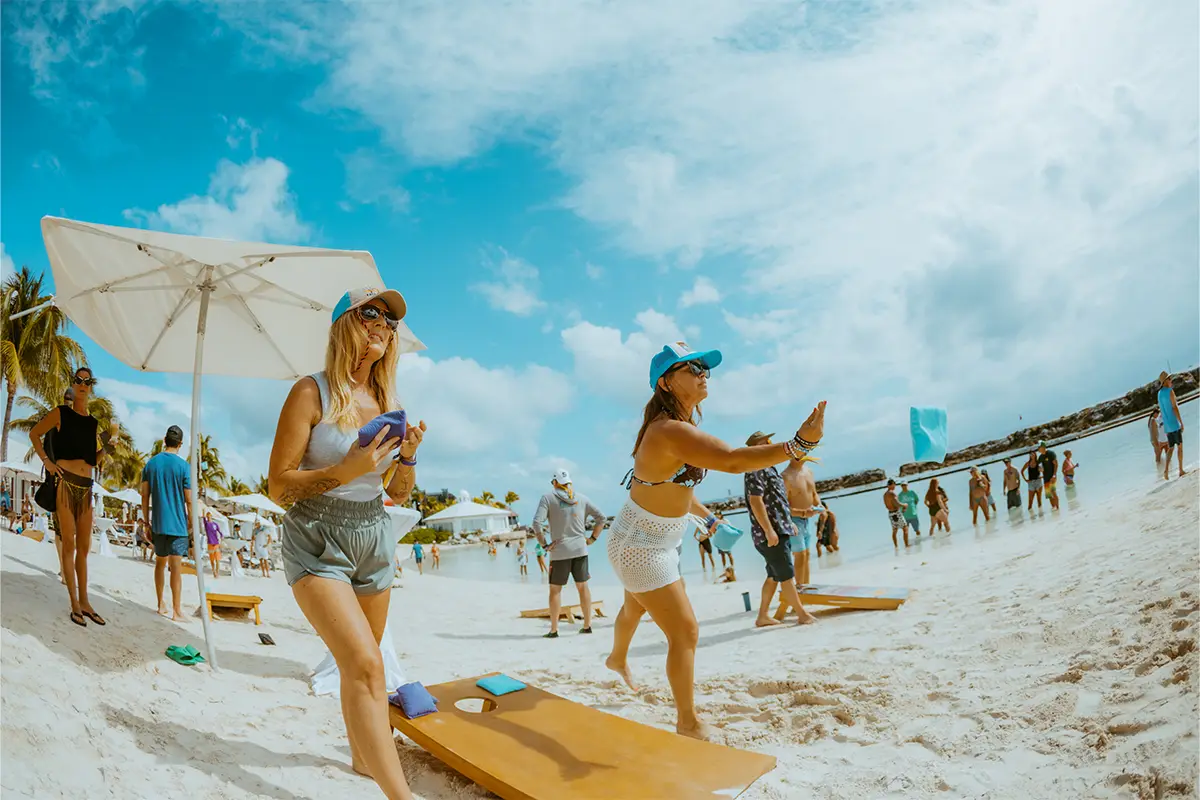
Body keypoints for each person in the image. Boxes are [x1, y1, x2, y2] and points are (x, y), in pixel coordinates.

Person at [603, 342, 826, 740]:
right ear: (666, 383)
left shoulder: (680, 430)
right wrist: (799, 446)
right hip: (640, 546)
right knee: (685, 631)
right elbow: (733, 460)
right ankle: (687, 723)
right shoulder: (668, 431)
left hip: (654, 537)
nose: (703, 372)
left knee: (636, 609)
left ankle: (616, 658)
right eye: (691, 367)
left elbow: (676, 485)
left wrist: (706, 517)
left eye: (705, 367)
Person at [267, 285, 426, 799]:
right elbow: (278, 486)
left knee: (365, 661)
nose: (382, 324)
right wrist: (342, 470)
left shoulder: (387, 401)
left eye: (390, 321)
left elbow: (395, 493)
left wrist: (408, 458)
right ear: (344, 324)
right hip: (316, 537)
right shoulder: (309, 392)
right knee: (364, 664)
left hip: (373, 536)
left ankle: (363, 758)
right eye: (371, 313)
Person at [29, 366, 118, 627]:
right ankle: (74, 602)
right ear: (74, 384)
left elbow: (92, 459)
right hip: (65, 484)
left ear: (91, 386)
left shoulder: (92, 423)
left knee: (84, 549)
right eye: (78, 380)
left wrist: (108, 449)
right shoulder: (60, 413)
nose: (82, 384)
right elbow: (34, 434)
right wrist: (46, 462)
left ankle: (86, 600)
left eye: (86, 381)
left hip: (86, 487)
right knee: (68, 543)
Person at [745, 431, 819, 626]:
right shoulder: (754, 467)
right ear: (757, 446)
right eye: (766, 442)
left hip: (780, 528)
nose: (771, 443)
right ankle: (802, 614)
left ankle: (762, 616)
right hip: (771, 532)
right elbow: (756, 501)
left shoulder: (769, 468)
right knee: (786, 574)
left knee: (773, 575)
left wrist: (789, 521)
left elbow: (778, 501)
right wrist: (769, 530)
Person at [532, 469, 605, 638]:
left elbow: (537, 523)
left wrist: (545, 544)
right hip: (580, 549)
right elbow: (601, 518)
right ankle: (587, 626)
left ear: (555, 482)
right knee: (583, 587)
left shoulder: (548, 498)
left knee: (555, 591)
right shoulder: (581, 498)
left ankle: (554, 630)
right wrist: (592, 539)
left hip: (559, 552)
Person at [141, 425, 192, 620]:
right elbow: (188, 499)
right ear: (180, 444)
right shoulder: (184, 466)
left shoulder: (151, 464)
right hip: (178, 524)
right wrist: (191, 521)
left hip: (159, 523)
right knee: (176, 569)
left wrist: (146, 522)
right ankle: (177, 610)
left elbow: (145, 496)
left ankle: (161, 604)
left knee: (159, 564)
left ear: (164, 440)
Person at [782, 453, 822, 587]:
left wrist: (820, 506)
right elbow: (783, 507)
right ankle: (799, 590)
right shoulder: (785, 477)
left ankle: (806, 587)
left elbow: (814, 493)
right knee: (800, 555)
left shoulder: (809, 472)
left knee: (807, 554)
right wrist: (804, 512)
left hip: (807, 521)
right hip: (793, 521)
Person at [1158, 372, 1186, 479]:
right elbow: (1174, 407)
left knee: (1171, 447)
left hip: (1167, 425)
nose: (1171, 380)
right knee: (1180, 447)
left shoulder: (1159, 393)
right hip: (1174, 423)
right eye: (1169, 379)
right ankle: (1181, 470)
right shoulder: (1170, 392)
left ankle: (1165, 471)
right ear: (1165, 381)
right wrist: (1181, 422)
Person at [883, 479, 909, 547]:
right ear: (892, 485)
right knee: (905, 528)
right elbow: (897, 504)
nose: (895, 486)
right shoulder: (892, 493)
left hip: (890, 513)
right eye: (894, 484)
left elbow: (886, 505)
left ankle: (896, 547)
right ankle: (907, 545)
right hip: (896, 513)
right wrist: (905, 505)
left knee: (894, 531)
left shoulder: (885, 495)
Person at [1037, 442, 1059, 511]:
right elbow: (1038, 466)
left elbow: (1056, 464)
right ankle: (1054, 509)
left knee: (1053, 492)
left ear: (1043, 447)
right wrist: (1040, 469)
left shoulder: (1051, 453)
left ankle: (1058, 508)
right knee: (1049, 495)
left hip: (1052, 476)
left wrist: (1054, 475)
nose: (1038, 449)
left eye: (1039, 447)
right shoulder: (1040, 457)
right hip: (1045, 478)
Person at [204, 511, 223, 578]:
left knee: (217, 560)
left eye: (209, 516)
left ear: (211, 516)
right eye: (207, 516)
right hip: (210, 543)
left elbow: (220, 532)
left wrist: (221, 536)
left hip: (216, 543)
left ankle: (217, 572)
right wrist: (204, 511)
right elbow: (204, 519)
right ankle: (213, 571)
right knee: (212, 560)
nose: (209, 517)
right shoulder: (206, 524)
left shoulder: (215, 524)